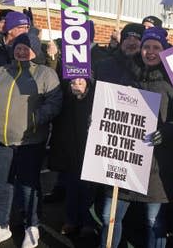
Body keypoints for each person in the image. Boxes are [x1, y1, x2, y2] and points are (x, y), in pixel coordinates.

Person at [97, 27, 173, 248]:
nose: (151, 51)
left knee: (153, 221)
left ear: (165, 51)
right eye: (147, 47)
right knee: (109, 217)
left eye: (157, 47)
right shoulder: (125, 74)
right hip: (123, 162)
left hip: (157, 168)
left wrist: (166, 132)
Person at [0, 33, 62, 248]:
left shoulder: (45, 73)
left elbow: (54, 102)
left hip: (29, 141)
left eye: (27, 47)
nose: (22, 51)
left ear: (36, 50)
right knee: (2, 184)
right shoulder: (1, 71)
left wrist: (34, 121)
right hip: (0, 140)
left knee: (28, 186)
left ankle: (31, 225)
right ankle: (1, 226)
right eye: (18, 47)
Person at [48, 77, 98, 240]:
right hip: (69, 146)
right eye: (72, 82)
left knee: (87, 188)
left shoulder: (93, 96)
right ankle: (71, 220)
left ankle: (88, 223)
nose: (76, 85)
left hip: (88, 146)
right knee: (71, 186)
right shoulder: (64, 95)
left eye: (81, 82)